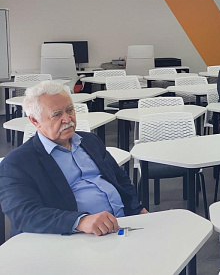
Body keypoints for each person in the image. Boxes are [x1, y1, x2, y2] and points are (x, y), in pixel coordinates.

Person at [0, 81, 147, 237]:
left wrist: (136, 209)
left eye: (70, 110)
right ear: (35, 121)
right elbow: (24, 214)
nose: (67, 119)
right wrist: (80, 221)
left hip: (123, 226)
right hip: (75, 236)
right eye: (57, 114)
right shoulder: (17, 163)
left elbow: (119, 178)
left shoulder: (90, 141)